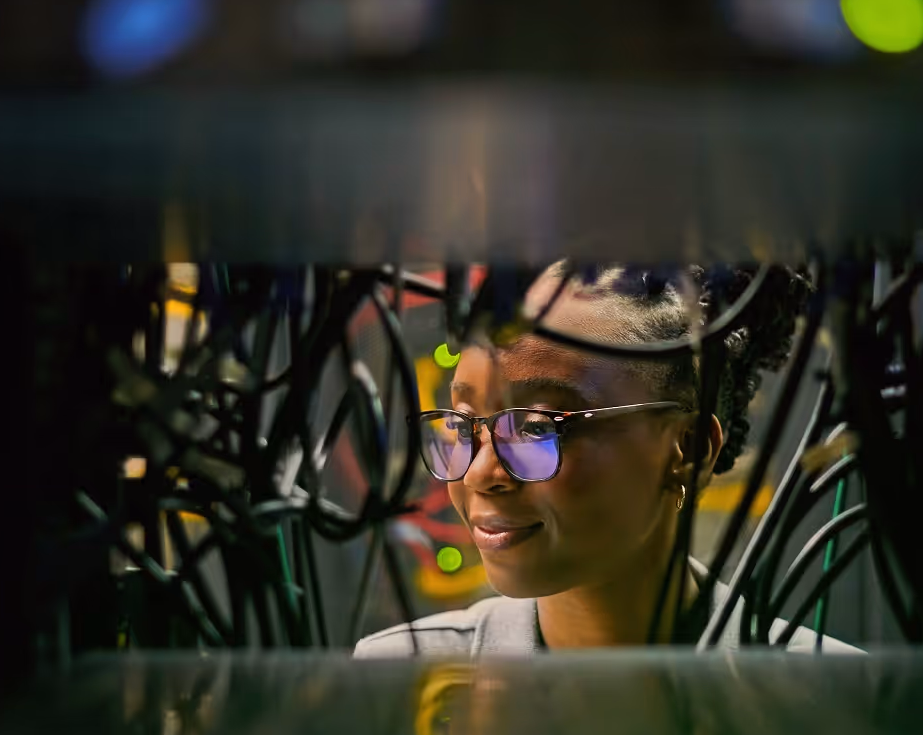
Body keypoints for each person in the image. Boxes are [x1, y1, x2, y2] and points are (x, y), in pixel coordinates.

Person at [355, 264, 859, 656]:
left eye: (535, 428)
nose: (481, 473)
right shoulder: (396, 682)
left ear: (688, 449)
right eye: (462, 425)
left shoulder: (841, 704)